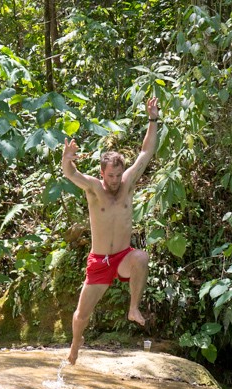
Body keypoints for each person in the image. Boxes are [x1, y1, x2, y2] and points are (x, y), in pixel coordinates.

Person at [61, 97, 159, 365]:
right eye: (110, 176)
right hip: (100, 261)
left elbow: (146, 153)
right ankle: (75, 346)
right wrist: (67, 159)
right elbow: (71, 174)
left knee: (141, 258)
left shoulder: (127, 183)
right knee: (82, 315)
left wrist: (152, 119)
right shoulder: (94, 188)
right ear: (102, 173)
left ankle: (133, 308)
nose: (115, 181)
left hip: (123, 257)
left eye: (118, 175)